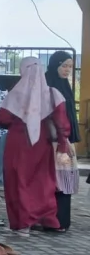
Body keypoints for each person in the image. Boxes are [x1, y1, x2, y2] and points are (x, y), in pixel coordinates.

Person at [0, 57, 70, 235]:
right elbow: (62, 124)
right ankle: (47, 219)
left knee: (18, 180)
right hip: (42, 145)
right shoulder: (53, 94)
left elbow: (2, 119)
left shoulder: (15, 94)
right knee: (44, 182)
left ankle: (23, 224)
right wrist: (62, 144)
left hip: (18, 145)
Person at [46, 50, 80, 231]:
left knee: (64, 180)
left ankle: (61, 221)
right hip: (52, 142)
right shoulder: (47, 84)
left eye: (70, 67)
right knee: (55, 180)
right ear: (55, 65)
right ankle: (52, 220)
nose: (67, 70)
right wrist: (62, 139)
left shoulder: (64, 85)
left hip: (63, 140)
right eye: (64, 65)